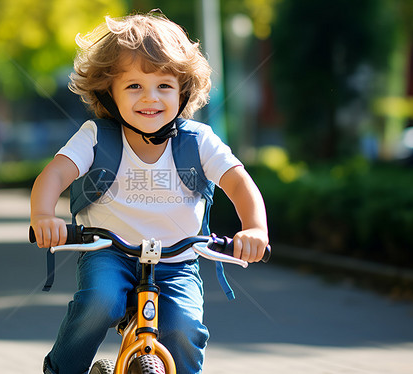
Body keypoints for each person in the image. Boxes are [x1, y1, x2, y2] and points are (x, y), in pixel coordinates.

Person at [30, 10, 268, 374]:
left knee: (184, 327)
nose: (150, 98)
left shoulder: (198, 142)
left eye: (164, 86)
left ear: (183, 89)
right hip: (109, 254)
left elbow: (238, 181)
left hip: (177, 263)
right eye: (134, 86)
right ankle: (64, 369)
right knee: (100, 301)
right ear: (109, 92)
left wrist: (254, 228)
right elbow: (54, 175)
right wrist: (45, 217)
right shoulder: (97, 138)